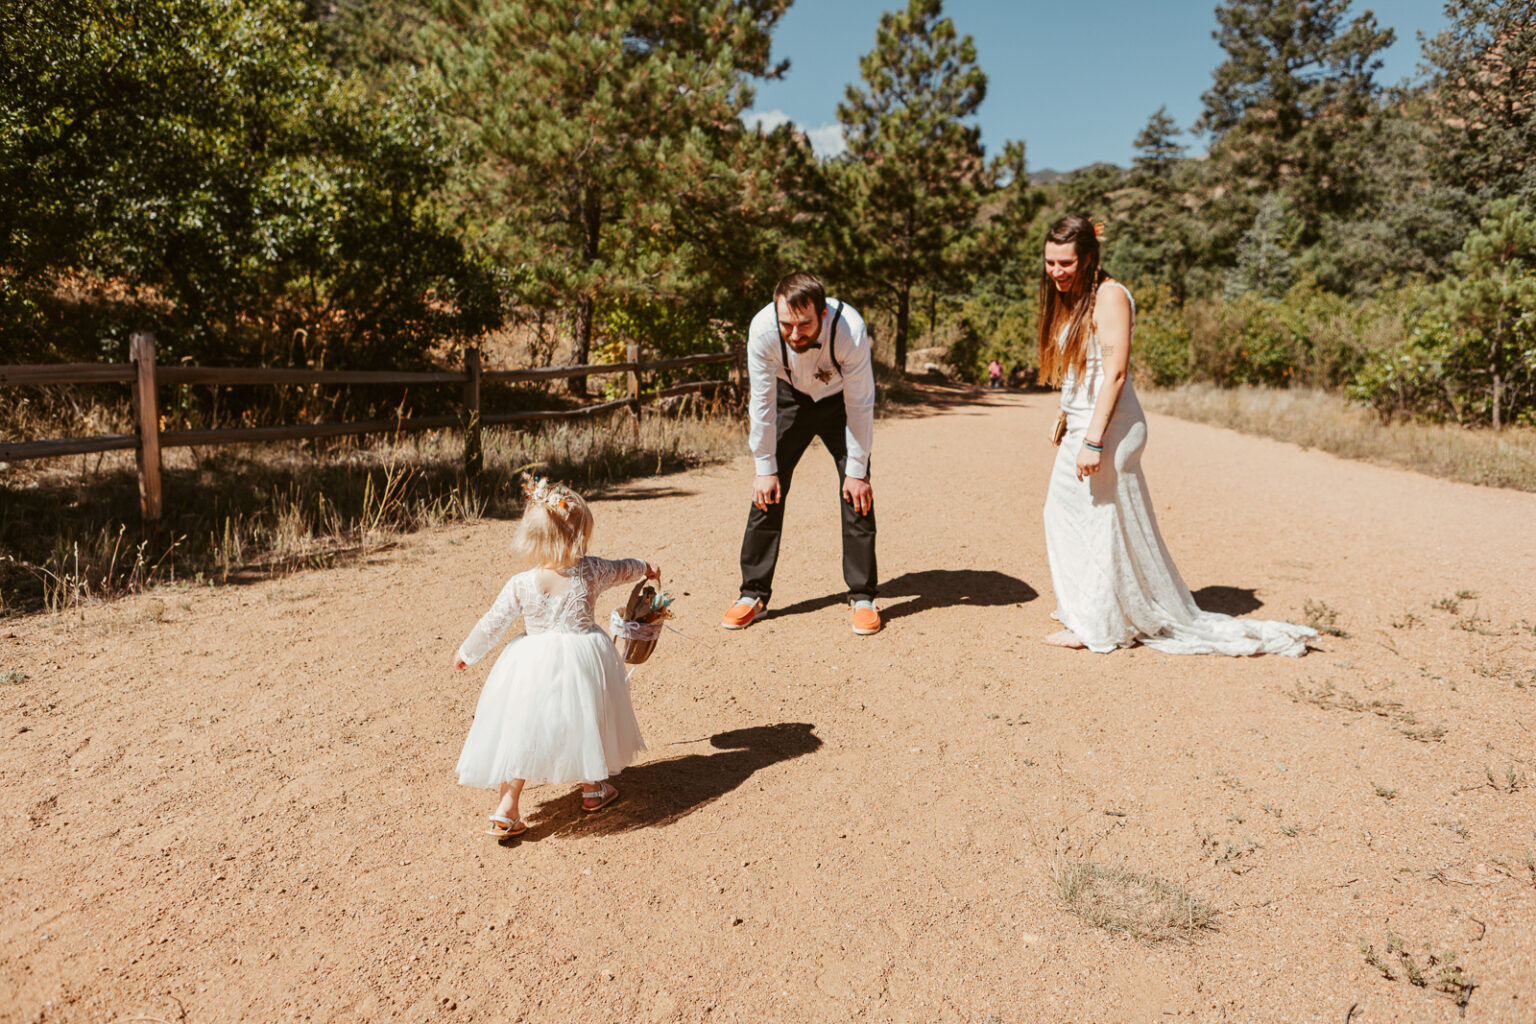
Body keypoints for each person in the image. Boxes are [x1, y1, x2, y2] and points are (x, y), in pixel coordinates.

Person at [1037, 214, 1316, 656]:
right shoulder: (1076, 298)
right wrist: (1065, 414)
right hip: (1086, 421)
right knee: (1065, 513)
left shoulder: (1109, 297)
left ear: (1089, 257)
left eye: (1066, 263)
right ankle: (1086, 605)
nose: (1056, 272)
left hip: (1109, 427)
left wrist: (1092, 439)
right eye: (1050, 262)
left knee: (1099, 520)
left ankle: (1097, 623)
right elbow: (1083, 370)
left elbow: (1114, 374)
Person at [453, 474, 659, 838]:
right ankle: (593, 787)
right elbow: (625, 567)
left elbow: (493, 623)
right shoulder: (592, 569)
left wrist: (468, 652)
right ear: (580, 534)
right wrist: (646, 567)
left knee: (524, 728)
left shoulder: (521, 583)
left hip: (531, 663)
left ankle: (507, 807)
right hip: (585, 656)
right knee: (585, 717)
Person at [721, 272, 880, 636]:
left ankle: (862, 596)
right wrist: (764, 466)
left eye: (804, 324)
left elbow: (861, 402)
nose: (794, 334)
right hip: (789, 396)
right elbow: (761, 404)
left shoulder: (849, 330)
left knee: (856, 490)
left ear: (822, 314)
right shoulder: (762, 330)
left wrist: (857, 470)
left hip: (840, 401)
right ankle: (752, 594)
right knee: (767, 490)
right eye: (787, 325)